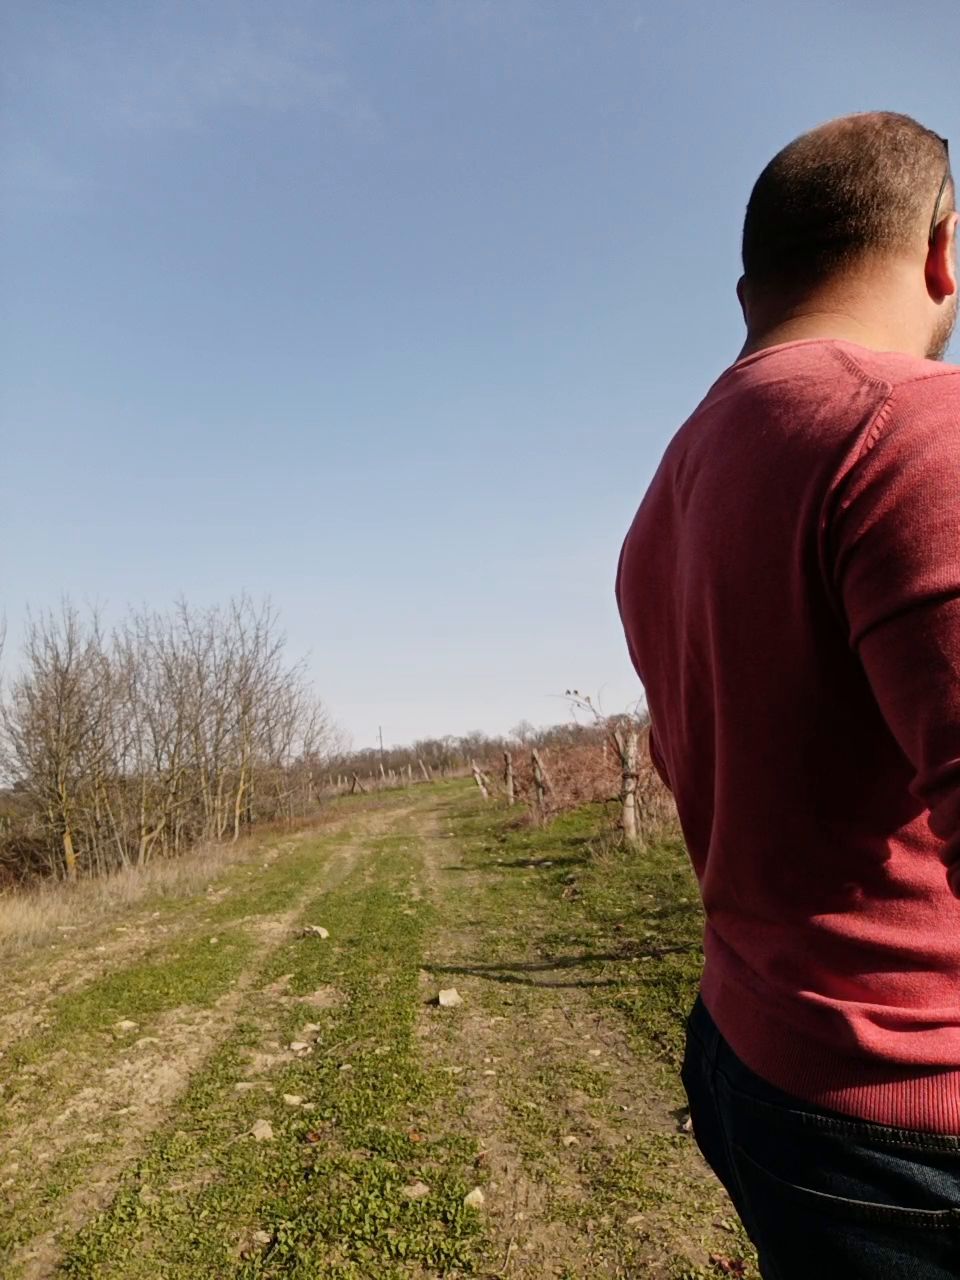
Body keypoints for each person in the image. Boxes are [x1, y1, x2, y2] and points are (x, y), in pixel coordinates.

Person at [616, 111, 960, 1278]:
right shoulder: (913, 427)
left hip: (755, 1053)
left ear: (747, 291)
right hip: (909, 1124)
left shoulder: (668, 493)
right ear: (944, 248)